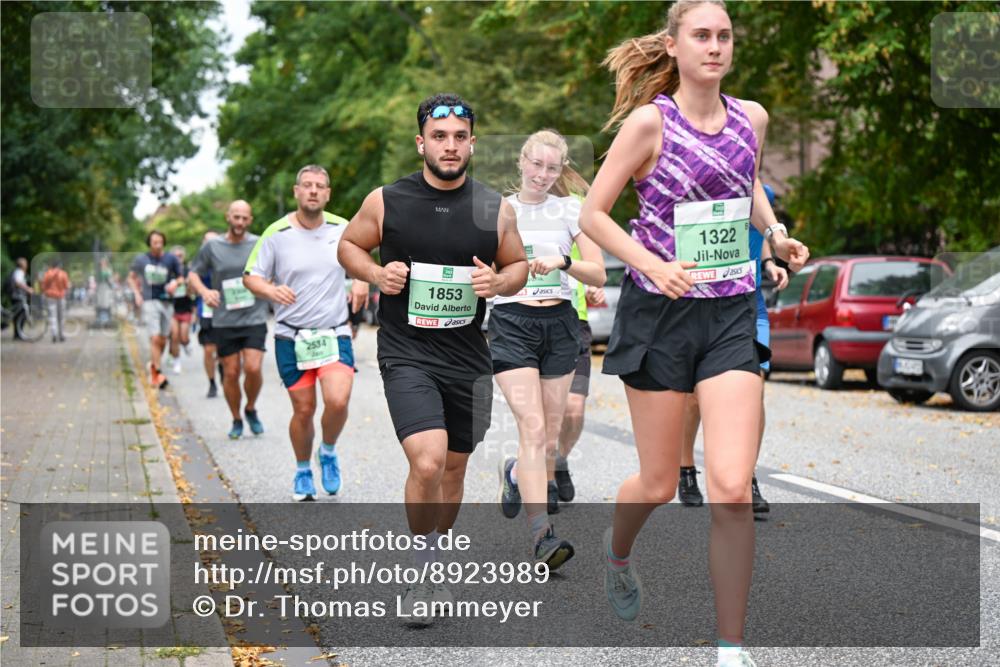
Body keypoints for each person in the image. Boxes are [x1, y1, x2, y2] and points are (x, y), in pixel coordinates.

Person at [578, 3, 809, 666]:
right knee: (655, 481)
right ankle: (617, 553)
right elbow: (595, 213)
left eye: (724, 36)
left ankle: (730, 647)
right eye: (701, 36)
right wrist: (651, 264)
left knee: (732, 486)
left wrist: (775, 233)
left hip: (731, 310)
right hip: (660, 314)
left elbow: (747, 183)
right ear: (675, 47)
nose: (714, 46)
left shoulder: (752, 118)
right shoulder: (650, 123)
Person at [338, 93, 527, 625]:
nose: (449, 145)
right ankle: (421, 569)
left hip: (468, 356)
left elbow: (518, 267)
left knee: (453, 467)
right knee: (426, 461)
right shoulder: (387, 200)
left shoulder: (495, 207)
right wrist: (375, 274)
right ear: (421, 142)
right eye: (439, 137)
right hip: (407, 352)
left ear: (472, 143)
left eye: (459, 137)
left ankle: (438, 548)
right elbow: (349, 245)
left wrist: (498, 281)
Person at [494, 129, 605, 568]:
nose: (542, 174)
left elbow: (597, 273)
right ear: (522, 162)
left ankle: (516, 473)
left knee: (548, 439)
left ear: (561, 172)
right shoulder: (499, 211)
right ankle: (542, 534)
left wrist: (564, 262)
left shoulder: (572, 210)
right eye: (536, 165)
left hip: (560, 324)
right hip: (511, 323)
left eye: (552, 168)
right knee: (534, 429)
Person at [244, 167, 368, 500]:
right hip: (291, 336)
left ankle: (326, 451)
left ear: (328, 193)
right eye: (307, 186)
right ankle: (302, 470)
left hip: (334, 332)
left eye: (320, 187)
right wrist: (271, 292)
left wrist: (360, 279)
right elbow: (251, 277)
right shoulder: (276, 232)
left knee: (338, 400)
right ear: (297, 191)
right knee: (303, 410)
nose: (313, 191)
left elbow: (364, 259)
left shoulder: (343, 228)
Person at [678, 184, 789, 512]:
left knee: (754, 390)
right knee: (694, 397)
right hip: (699, 300)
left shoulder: (763, 194)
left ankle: (745, 477)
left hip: (748, 303)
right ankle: (686, 468)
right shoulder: (693, 187)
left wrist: (769, 262)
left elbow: (759, 230)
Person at [191, 203, 270, 439]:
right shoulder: (212, 246)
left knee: (253, 368)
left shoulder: (258, 243)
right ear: (228, 217)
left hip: (254, 316)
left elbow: (273, 269)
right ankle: (236, 418)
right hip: (224, 320)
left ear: (250, 220)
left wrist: (271, 286)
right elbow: (194, 273)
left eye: (245, 218)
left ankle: (250, 408)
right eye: (236, 217)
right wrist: (205, 292)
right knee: (231, 372)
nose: (240, 222)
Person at [555, 269, 606, 503]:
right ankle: (542, 481)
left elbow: (594, 268)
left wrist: (593, 287)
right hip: (534, 324)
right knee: (544, 410)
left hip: (577, 325)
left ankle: (559, 459)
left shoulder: (578, 232)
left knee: (574, 409)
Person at [129, 231, 183, 389]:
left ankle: (154, 364)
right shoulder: (141, 259)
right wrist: (137, 294)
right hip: (149, 300)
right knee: (154, 337)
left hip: (167, 301)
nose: (158, 245)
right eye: (155, 242)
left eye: (160, 242)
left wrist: (175, 283)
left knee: (163, 339)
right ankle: (156, 372)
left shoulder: (171, 259)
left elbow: (181, 277)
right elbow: (131, 277)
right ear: (149, 244)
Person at [194, 231, 221, 398]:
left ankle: (224, 371)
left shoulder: (226, 259)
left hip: (227, 310)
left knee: (224, 351)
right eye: (207, 242)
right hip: (206, 311)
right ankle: (212, 383)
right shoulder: (199, 264)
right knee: (208, 350)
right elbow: (191, 285)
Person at [168, 245, 194, 374]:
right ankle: (176, 361)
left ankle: (187, 343)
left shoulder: (188, 271)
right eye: (175, 256)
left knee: (183, 336)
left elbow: (193, 291)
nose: (178, 258)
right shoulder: (169, 271)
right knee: (174, 337)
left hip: (186, 307)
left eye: (180, 256)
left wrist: (189, 286)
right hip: (172, 309)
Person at [41, 260, 71, 343]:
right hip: (61, 297)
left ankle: (54, 334)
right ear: (59, 265)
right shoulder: (63, 273)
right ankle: (61, 335)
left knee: (52, 316)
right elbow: (66, 286)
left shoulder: (47, 273)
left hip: (50, 297)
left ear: (52, 265)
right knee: (61, 317)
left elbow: (43, 286)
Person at [9, 257, 34, 340]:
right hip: (18, 296)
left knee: (18, 315)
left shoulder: (18, 272)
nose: (27, 265)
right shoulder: (19, 272)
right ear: (22, 265)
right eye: (25, 263)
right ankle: (18, 334)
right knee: (21, 315)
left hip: (17, 295)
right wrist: (28, 289)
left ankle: (18, 334)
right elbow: (18, 283)